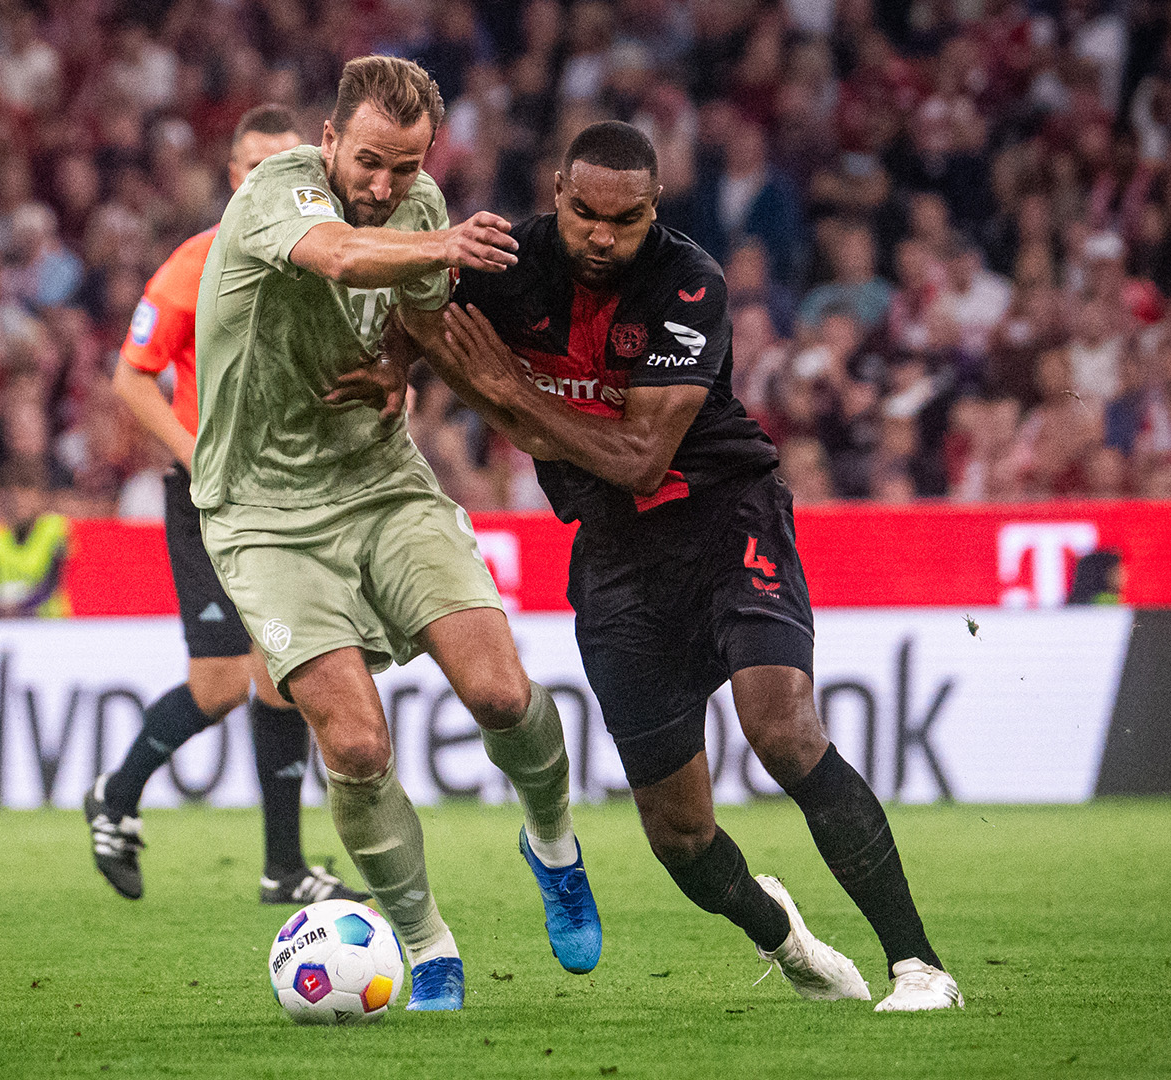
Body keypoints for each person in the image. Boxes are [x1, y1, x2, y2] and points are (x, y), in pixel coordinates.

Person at [421, 121, 960, 1012]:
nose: (602, 235)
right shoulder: (504, 266)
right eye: (585, 213)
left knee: (781, 729)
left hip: (724, 515)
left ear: (654, 208)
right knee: (679, 834)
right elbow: (417, 315)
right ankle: (786, 939)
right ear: (556, 191)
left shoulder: (690, 281)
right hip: (616, 560)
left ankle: (920, 965)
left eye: (624, 219)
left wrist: (511, 396)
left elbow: (639, 457)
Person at [184, 56, 600, 1011]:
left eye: (405, 167)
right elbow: (335, 255)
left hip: (381, 483)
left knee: (500, 692)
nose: (383, 185)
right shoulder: (274, 191)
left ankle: (555, 847)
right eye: (369, 161)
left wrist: (402, 360)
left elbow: (418, 311)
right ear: (328, 142)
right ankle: (427, 942)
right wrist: (448, 246)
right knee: (360, 747)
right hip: (263, 516)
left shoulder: (421, 209)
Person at [87, 106, 368, 909]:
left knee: (286, 680)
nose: (262, 180)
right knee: (216, 683)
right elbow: (129, 376)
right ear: (233, 175)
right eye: (250, 167)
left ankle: (283, 867)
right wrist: (193, 456)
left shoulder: (325, 263)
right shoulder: (197, 261)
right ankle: (117, 791)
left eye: (282, 165)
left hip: (292, 493)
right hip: (212, 493)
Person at [0, 461, 71, 619]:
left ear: (41, 498)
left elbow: (54, 581)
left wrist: (20, 606)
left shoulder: (55, 529)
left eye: (27, 494)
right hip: (8, 626)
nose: (20, 502)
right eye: (14, 495)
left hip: (50, 625)